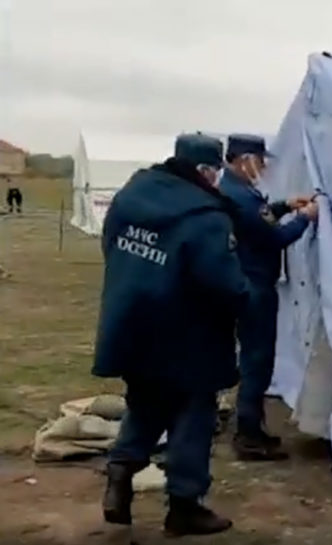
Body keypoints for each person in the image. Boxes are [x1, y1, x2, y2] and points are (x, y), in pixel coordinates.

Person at [93, 133, 249, 536]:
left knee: (145, 403)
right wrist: (247, 300)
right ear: (205, 171)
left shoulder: (130, 198)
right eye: (215, 171)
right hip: (189, 336)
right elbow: (224, 283)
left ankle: (120, 473)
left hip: (132, 324)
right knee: (193, 417)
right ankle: (184, 505)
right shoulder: (206, 217)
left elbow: (111, 248)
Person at [218, 133, 317, 461]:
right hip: (255, 286)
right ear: (244, 160)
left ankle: (253, 428)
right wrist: (304, 219)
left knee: (255, 360)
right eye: (259, 161)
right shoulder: (240, 195)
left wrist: (285, 206)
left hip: (249, 282)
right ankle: (248, 435)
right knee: (257, 362)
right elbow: (273, 237)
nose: (262, 168)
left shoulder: (236, 191)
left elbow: (259, 221)